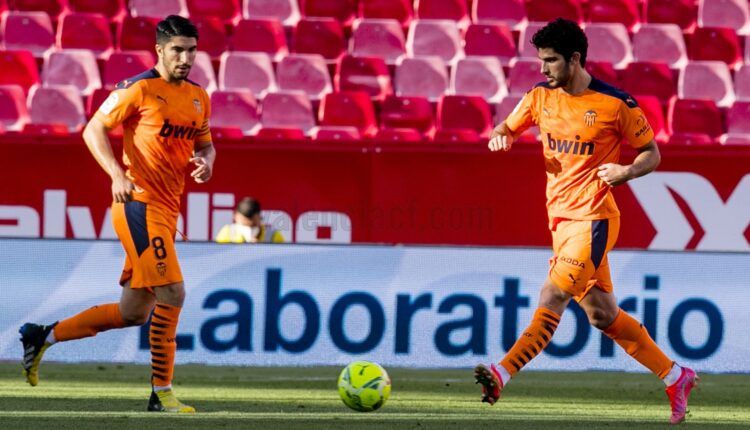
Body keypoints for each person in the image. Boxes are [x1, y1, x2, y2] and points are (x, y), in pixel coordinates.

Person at [473, 18, 697, 425]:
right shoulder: (540, 97)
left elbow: (652, 153)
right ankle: (676, 375)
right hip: (560, 223)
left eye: (551, 61)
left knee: (552, 296)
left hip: (594, 220)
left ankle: (501, 373)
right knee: (602, 316)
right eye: (541, 60)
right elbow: (505, 124)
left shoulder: (616, 104)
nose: (543, 69)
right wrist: (501, 134)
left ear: (574, 59)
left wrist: (625, 171)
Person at [19, 15, 215, 413]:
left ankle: (43, 335)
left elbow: (206, 146)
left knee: (132, 313)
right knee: (174, 292)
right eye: (178, 50)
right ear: (159, 50)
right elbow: (93, 129)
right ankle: (162, 394)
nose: (185, 58)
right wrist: (116, 173)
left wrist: (207, 162)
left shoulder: (198, 97)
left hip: (166, 210)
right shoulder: (137, 89)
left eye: (191, 50)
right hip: (138, 207)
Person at [215, 197, 285, 243]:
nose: (249, 230)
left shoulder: (273, 236)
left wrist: (262, 250)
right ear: (235, 217)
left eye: (253, 225)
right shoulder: (227, 233)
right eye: (244, 225)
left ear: (260, 218)